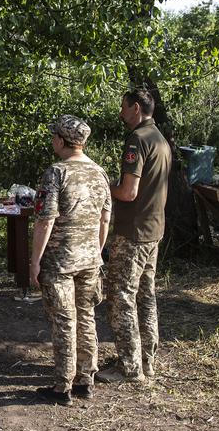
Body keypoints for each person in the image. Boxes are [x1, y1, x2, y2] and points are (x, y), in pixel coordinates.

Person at [30, 115, 111, 406]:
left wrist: (35, 262)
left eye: (54, 136)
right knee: (86, 318)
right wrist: (96, 251)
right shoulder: (99, 173)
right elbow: (105, 219)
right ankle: (85, 380)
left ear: (62, 141)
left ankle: (62, 387)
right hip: (90, 260)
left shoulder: (56, 172)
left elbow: (45, 220)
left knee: (64, 321)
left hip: (60, 261)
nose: (52, 141)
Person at [97, 88, 172, 383]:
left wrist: (102, 185)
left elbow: (128, 192)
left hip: (133, 232)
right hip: (153, 230)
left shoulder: (138, 140)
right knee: (145, 295)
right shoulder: (160, 139)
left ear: (137, 108)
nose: (120, 113)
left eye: (123, 108)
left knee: (121, 297)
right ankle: (146, 359)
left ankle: (128, 367)